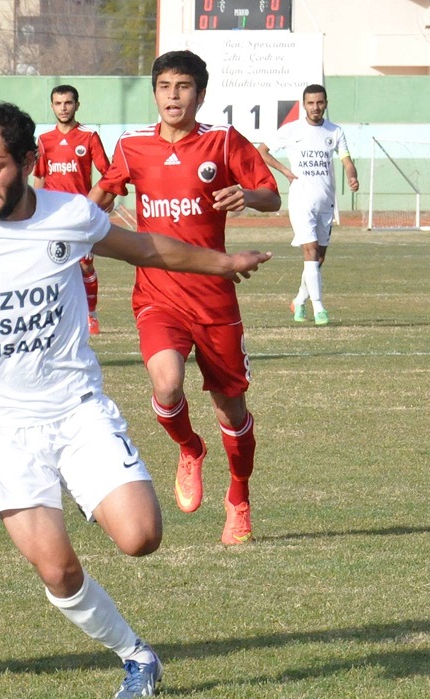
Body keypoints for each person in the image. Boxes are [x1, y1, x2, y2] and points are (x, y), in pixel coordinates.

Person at [0, 100, 271, 699]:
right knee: (59, 569)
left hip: (75, 410)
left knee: (142, 536)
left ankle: (116, 486)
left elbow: (146, 248)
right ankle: (135, 654)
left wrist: (221, 262)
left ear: (27, 161)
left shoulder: (70, 214)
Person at [89, 50, 281, 546]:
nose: (173, 96)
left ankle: (238, 497)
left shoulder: (222, 141)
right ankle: (189, 448)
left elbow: (270, 193)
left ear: (200, 93)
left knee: (231, 412)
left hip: (215, 297)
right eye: (165, 87)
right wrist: (65, 233)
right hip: (158, 294)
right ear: (154, 93)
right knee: (167, 385)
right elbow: (102, 197)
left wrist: (248, 195)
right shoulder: (132, 147)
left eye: (183, 87)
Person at [258, 84, 359, 326]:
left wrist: (352, 175)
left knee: (318, 259)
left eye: (320, 102)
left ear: (326, 103)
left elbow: (346, 161)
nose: (315, 107)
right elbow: (262, 151)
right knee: (310, 251)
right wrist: (285, 171)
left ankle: (300, 300)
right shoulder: (292, 130)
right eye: (311, 103)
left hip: (326, 202)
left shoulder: (335, 131)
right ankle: (320, 308)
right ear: (304, 104)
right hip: (301, 200)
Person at [33, 84, 110, 335]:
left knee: (85, 266)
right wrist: (34, 209)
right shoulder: (44, 140)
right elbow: (40, 177)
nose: (63, 108)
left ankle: (91, 313)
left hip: (80, 215)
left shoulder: (89, 137)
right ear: (52, 106)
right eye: (58, 103)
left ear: (77, 105)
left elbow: (107, 174)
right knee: (49, 265)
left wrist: (97, 201)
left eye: (68, 103)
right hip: (52, 215)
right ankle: (53, 315)